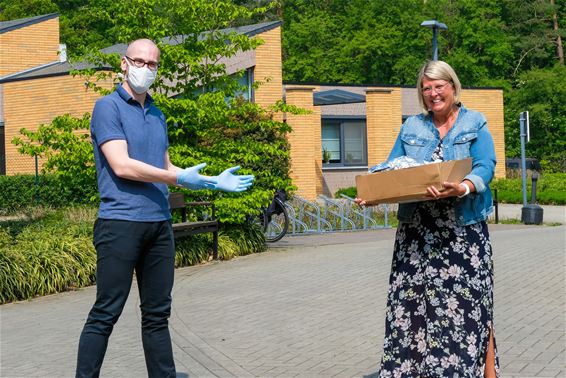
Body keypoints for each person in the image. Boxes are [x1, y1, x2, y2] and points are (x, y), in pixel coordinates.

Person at [75, 38, 253, 378]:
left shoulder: (158, 115)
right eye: (139, 62)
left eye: (152, 64)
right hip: (120, 224)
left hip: (159, 224)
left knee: (157, 315)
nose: (145, 69)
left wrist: (212, 180)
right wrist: (181, 179)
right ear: (123, 64)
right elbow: (123, 166)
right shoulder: (107, 107)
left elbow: (167, 168)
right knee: (105, 312)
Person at [356, 60, 499, 377]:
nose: (433, 94)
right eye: (426, 88)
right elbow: (393, 168)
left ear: (452, 86)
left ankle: (477, 371)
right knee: (413, 308)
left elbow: (486, 165)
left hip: (462, 233)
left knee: (469, 306)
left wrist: (463, 186)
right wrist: (371, 192)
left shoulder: (474, 122)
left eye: (439, 86)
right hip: (418, 234)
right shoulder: (412, 127)